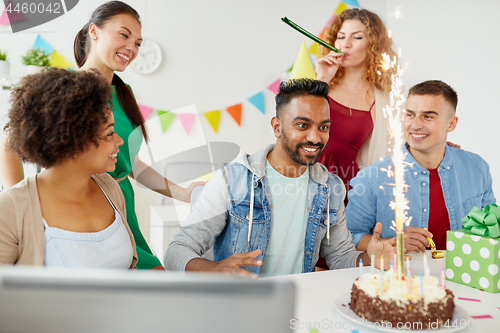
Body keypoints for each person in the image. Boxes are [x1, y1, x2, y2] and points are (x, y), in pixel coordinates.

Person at [0, 1, 202, 269]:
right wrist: (24, 208)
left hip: (118, 204)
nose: (132, 48)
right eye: (124, 35)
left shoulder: (124, 93)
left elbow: (131, 164)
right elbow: (11, 145)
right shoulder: (61, 87)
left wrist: (183, 193)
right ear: (93, 31)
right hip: (66, 206)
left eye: (139, 43)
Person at [164, 78, 393, 278]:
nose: (315, 137)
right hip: (238, 307)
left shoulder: (330, 188)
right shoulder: (232, 180)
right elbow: (176, 251)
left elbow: (340, 257)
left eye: (323, 127)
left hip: (295, 306)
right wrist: (213, 269)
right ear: (277, 127)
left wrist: (368, 258)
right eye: (302, 125)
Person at [0, 68, 137, 268]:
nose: (119, 141)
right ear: (73, 142)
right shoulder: (10, 209)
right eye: (109, 134)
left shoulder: (109, 188)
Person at [346, 80, 495, 252]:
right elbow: (351, 237)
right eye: (410, 115)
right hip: (400, 277)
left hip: (463, 277)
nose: (415, 125)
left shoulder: (477, 168)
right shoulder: (371, 178)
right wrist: (393, 243)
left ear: (451, 124)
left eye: (428, 116)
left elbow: (490, 229)